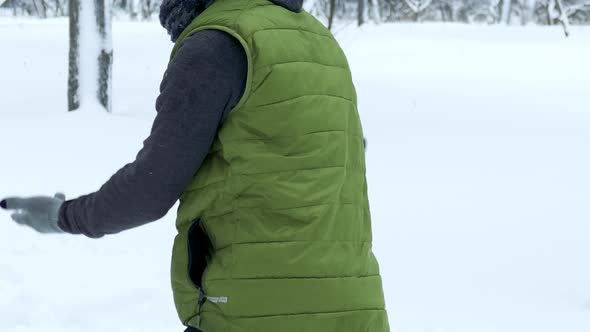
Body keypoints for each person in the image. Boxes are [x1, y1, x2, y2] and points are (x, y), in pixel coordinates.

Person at [0, 0, 390, 331]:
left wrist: (63, 216)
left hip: (252, 312)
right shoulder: (321, 43)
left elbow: (150, 189)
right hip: (355, 309)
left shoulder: (216, 45)